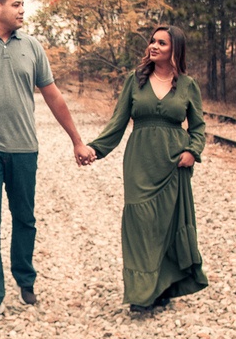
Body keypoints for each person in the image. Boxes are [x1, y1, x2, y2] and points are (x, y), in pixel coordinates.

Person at [0, 0, 94, 322]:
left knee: (25, 218)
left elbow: (53, 96)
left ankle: (25, 279)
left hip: (25, 147)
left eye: (23, 4)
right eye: (16, 4)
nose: (22, 10)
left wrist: (76, 139)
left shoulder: (33, 47)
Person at [85, 25, 208, 313]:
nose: (153, 46)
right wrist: (94, 149)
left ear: (174, 49)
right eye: (152, 41)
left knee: (168, 225)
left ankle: (163, 285)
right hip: (140, 162)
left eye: (161, 43)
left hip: (174, 163)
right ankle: (141, 292)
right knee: (140, 224)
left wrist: (193, 151)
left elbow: (199, 127)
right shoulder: (135, 80)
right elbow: (117, 122)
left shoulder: (188, 85)